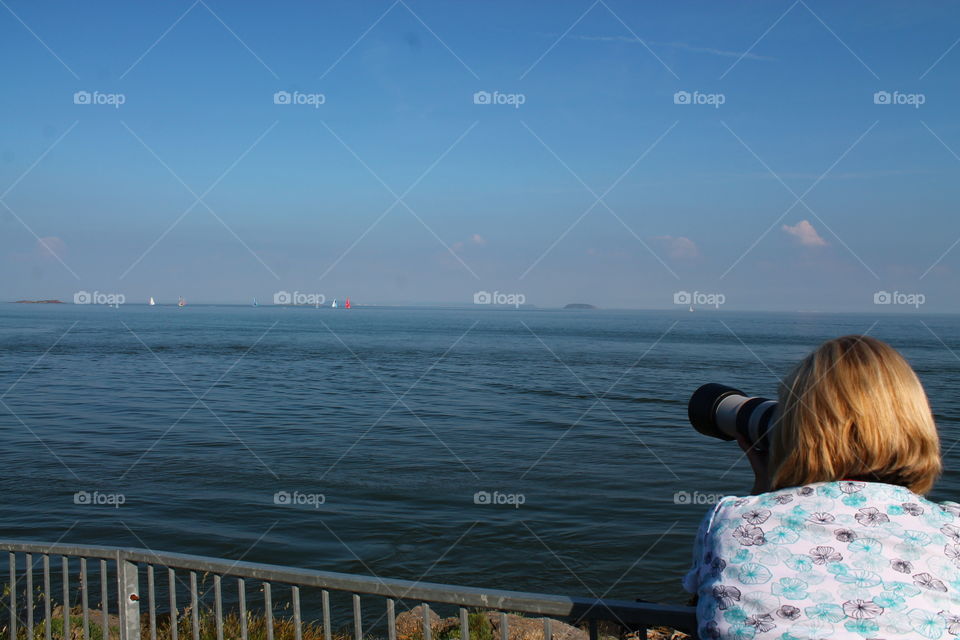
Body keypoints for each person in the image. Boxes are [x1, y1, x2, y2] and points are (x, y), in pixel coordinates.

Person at [683, 335, 960, 639]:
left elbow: (706, 606)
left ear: (795, 432)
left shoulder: (730, 519)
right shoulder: (954, 529)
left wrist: (764, 492)